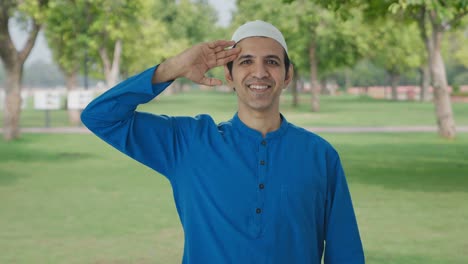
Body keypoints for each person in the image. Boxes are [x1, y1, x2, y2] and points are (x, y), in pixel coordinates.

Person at [81, 20, 365, 264]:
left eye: (272, 62)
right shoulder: (188, 143)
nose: (260, 72)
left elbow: (346, 252)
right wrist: (175, 66)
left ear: (287, 76)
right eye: (246, 61)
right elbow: (101, 117)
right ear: (228, 76)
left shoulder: (320, 155)